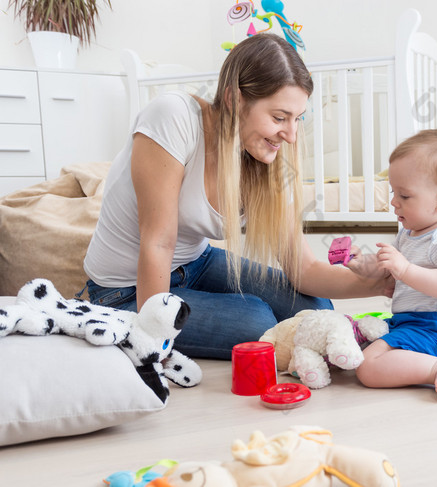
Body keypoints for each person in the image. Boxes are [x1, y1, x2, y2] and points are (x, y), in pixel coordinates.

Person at [82, 34, 389, 360]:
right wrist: (151, 337)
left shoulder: (268, 158)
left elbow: (305, 270)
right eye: (279, 117)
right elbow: (158, 242)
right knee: (257, 321)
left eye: (297, 119)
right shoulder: (173, 117)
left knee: (314, 308)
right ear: (233, 100)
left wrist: (380, 283)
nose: (291, 135)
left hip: (194, 265)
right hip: (124, 289)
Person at [346, 129, 437, 403]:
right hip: (413, 323)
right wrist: (361, 264)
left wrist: (404, 270)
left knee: (367, 366)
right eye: (394, 192)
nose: (394, 202)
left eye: (404, 196)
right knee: (357, 340)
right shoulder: (410, 233)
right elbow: (388, 271)